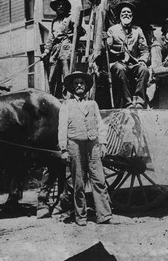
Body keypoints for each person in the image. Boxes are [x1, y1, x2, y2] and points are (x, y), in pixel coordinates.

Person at [58, 71, 115, 226]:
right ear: (72, 87)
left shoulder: (92, 104)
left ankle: (104, 215)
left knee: (99, 179)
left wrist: (102, 143)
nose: (79, 86)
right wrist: (63, 149)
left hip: (93, 144)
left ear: (86, 86)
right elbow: (62, 127)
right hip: (74, 144)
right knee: (78, 181)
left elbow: (100, 124)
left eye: (81, 83)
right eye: (76, 83)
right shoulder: (66, 105)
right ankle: (81, 216)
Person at [106, 1, 150, 108]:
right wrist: (107, 43)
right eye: (124, 12)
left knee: (144, 70)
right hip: (118, 63)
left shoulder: (137, 30)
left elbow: (144, 50)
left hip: (133, 64)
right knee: (120, 69)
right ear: (120, 15)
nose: (126, 14)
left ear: (132, 16)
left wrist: (143, 60)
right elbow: (107, 48)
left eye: (129, 13)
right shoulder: (113, 30)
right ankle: (127, 102)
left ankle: (139, 101)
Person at [41, 0, 80, 99]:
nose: (60, 7)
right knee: (52, 75)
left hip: (66, 48)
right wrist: (46, 51)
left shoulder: (71, 18)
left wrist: (73, 33)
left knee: (67, 74)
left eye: (63, 5)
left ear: (66, 7)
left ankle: (69, 97)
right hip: (55, 50)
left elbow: (80, 31)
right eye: (58, 5)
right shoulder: (54, 22)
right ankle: (53, 98)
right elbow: (50, 38)